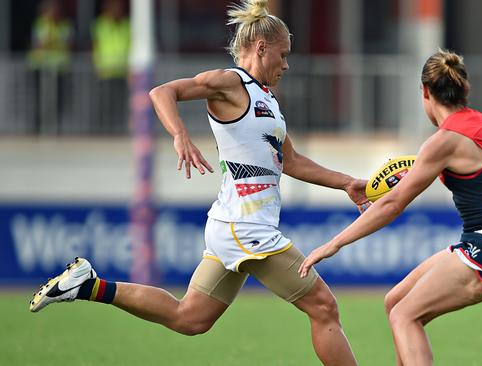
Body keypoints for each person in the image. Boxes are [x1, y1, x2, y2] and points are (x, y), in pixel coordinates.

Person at [29, 1, 365, 365]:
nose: (286, 65)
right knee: (324, 307)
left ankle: (88, 284)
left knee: (189, 318)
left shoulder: (266, 99)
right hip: (246, 227)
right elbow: (161, 92)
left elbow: (293, 162)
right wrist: (179, 135)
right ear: (261, 48)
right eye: (282, 55)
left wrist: (347, 183)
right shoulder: (232, 83)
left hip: (232, 226)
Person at [299, 49, 482, 365]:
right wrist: (369, 185)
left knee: (405, 316)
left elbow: (393, 204)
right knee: (395, 301)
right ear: (465, 90)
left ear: (425, 92)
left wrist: (334, 243)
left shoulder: (444, 142)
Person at [27, 0, 73, 133]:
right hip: (41, 67)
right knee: (39, 100)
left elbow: (68, 45)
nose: (54, 13)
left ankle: (56, 127)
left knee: (58, 101)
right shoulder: (40, 24)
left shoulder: (65, 25)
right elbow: (39, 45)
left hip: (59, 68)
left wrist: (52, 42)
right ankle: (37, 127)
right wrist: (50, 34)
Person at [91, 0, 130, 134]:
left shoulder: (127, 25)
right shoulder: (100, 24)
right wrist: (97, 65)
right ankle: (101, 131)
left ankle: (117, 130)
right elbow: (95, 47)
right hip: (105, 72)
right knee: (104, 104)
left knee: (119, 104)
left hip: (122, 72)